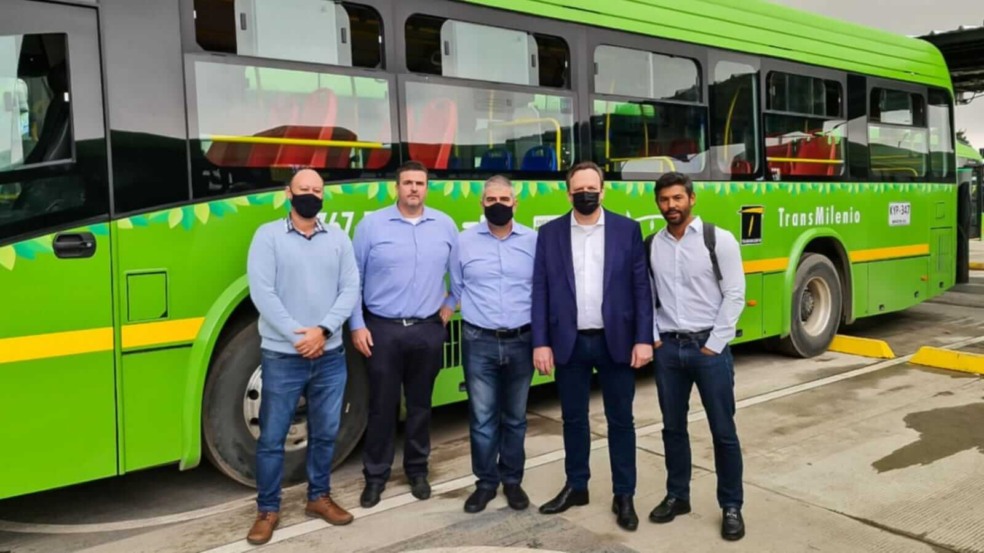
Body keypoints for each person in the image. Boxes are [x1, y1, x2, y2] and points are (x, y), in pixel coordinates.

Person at [532, 161, 653, 531]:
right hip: (568, 343)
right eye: (578, 189)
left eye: (592, 188)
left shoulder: (626, 230)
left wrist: (644, 338)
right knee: (573, 419)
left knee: (621, 421)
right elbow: (540, 291)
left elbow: (640, 289)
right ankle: (577, 485)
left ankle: (624, 494)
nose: (585, 194)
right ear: (568, 193)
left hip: (614, 341)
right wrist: (541, 343)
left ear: (603, 191)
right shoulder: (549, 233)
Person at [245, 169, 360, 545]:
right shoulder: (268, 237)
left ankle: (319, 497)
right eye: (303, 190)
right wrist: (299, 336)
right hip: (283, 356)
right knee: (272, 437)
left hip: (330, 355)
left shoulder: (338, 238)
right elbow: (262, 293)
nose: (310, 195)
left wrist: (323, 331)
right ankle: (267, 509)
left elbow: (349, 289)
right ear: (287, 194)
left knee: (326, 433)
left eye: (317, 190)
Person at [646, 172, 746, 541]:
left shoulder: (717, 239)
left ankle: (731, 505)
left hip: (708, 349)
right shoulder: (651, 244)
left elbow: (735, 293)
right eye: (664, 200)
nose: (671, 206)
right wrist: (656, 339)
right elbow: (649, 297)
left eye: (677, 199)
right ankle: (677, 496)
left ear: (691, 199)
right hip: (669, 350)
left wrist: (714, 344)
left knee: (723, 431)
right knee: (673, 429)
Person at [351, 160, 457, 509]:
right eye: (408, 182)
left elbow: (458, 272)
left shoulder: (444, 225)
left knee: (421, 406)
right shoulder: (372, 226)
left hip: (427, 330)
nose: (414, 188)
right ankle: (376, 476)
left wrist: (451, 302)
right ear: (396, 188)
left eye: (420, 183)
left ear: (427, 188)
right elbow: (353, 279)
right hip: (382, 330)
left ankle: (417, 471)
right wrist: (357, 324)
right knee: (382, 408)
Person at [449, 175, 537, 514]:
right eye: (490, 200)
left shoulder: (534, 240)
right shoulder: (463, 242)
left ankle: (512, 481)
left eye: (504, 199)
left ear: (515, 203)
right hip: (478, 340)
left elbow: (540, 291)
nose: (497, 205)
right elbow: (457, 288)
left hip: (522, 340)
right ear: (481, 204)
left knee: (515, 418)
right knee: (482, 418)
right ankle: (485, 483)